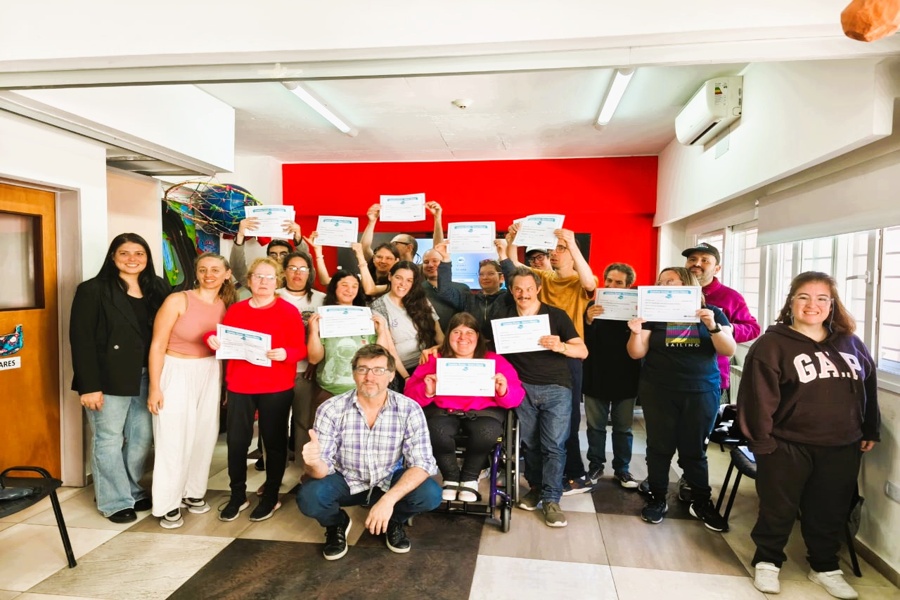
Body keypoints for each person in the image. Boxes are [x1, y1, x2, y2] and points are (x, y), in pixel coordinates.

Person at [737, 272, 880, 599]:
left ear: (832, 304)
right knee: (777, 508)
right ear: (791, 302)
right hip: (787, 445)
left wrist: (869, 428)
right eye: (804, 297)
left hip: (842, 445)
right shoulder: (772, 345)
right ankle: (768, 561)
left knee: (829, 509)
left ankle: (825, 567)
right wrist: (762, 443)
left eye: (821, 298)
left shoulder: (850, 342)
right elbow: (756, 398)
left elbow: (866, 387)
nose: (812, 305)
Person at [297, 344, 442, 560]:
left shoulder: (409, 408)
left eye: (379, 370)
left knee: (430, 494)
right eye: (362, 369)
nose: (369, 377)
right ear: (353, 373)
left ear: (391, 375)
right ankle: (336, 523)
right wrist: (313, 463)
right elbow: (321, 469)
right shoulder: (331, 408)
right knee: (309, 496)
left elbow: (422, 464)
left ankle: (394, 520)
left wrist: (388, 501)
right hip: (346, 479)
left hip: (388, 478)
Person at [70, 233, 170, 523]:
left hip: (147, 375)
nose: (132, 259)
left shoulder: (158, 288)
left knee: (141, 437)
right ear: (113, 256)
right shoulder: (92, 290)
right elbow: (81, 340)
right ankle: (113, 500)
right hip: (108, 377)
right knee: (109, 438)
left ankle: (132, 489)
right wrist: (89, 386)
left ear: (147, 258)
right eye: (125, 253)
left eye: (139, 253)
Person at [626, 267, 734, 530]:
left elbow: (728, 350)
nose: (664, 286)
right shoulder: (653, 315)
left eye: (670, 282)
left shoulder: (714, 313)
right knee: (659, 448)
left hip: (701, 391)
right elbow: (636, 353)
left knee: (694, 450)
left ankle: (701, 501)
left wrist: (712, 326)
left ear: (687, 285)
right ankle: (657, 498)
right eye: (660, 282)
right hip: (659, 390)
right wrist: (635, 331)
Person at [206, 257, 307, 523]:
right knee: (236, 442)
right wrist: (211, 339)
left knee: (274, 443)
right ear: (249, 281)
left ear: (278, 282)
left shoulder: (288, 311)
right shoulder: (237, 310)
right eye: (258, 277)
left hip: (276, 385)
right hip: (240, 385)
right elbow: (222, 340)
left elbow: (301, 349)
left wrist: (285, 353)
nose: (263, 282)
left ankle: (271, 494)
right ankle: (238, 495)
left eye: (269, 277)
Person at [504, 226, 597, 495]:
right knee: (538, 431)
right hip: (539, 353)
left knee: (566, 424)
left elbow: (591, 283)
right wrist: (513, 240)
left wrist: (572, 242)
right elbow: (514, 268)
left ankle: (575, 474)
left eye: (561, 250)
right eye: (552, 250)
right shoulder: (544, 277)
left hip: (568, 351)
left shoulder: (579, 280)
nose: (554, 254)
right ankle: (545, 479)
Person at [147, 252, 234, 529]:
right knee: (173, 439)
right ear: (195, 273)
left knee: (204, 435)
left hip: (209, 371)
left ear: (227, 274)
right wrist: (155, 387)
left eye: (215, 270)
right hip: (176, 370)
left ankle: (192, 492)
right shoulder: (178, 300)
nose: (209, 275)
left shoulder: (225, 304)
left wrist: (224, 385)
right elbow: (157, 345)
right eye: (203, 269)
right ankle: (168, 503)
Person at [495, 267, 587, 528]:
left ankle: (551, 498)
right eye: (518, 289)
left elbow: (583, 351)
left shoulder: (556, 316)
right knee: (530, 444)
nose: (523, 294)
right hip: (522, 389)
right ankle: (535, 488)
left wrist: (561, 346)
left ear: (537, 289)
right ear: (511, 291)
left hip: (556, 388)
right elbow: (489, 349)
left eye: (528, 289)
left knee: (554, 446)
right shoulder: (504, 318)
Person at [404, 312, 525, 502]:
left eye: (469, 332)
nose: (463, 338)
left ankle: (470, 478)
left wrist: (503, 390)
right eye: (457, 332)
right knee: (436, 430)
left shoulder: (494, 361)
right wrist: (427, 391)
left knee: (487, 431)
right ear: (448, 336)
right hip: (443, 412)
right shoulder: (434, 360)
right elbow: (410, 397)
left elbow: (515, 399)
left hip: (483, 414)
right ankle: (451, 477)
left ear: (478, 337)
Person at [582, 263, 641, 489]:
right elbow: (582, 340)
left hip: (626, 376)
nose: (612, 286)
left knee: (623, 428)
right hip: (596, 374)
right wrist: (587, 320)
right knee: (595, 426)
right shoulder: (592, 305)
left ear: (628, 285)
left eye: (618, 283)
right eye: (609, 281)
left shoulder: (637, 307)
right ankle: (596, 465)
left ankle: (622, 469)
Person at [307, 270, 397, 406]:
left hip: (364, 390)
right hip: (329, 390)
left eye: (354, 286)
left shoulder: (367, 317)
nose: (350, 290)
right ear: (334, 287)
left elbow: (380, 355)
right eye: (344, 285)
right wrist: (314, 331)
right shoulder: (323, 317)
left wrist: (382, 331)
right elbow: (314, 358)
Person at [276, 250, 326, 469]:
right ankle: (273, 475)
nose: (297, 273)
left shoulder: (321, 299)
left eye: (302, 268)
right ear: (284, 271)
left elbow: (326, 337)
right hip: (275, 371)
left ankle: (303, 472)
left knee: (304, 423)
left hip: (306, 371)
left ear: (310, 272)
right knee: (274, 424)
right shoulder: (273, 295)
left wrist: (316, 363)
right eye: (292, 268)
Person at [368, 261, 444, 381]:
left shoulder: (422, 300)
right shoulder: (379, 307)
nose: (403, 284)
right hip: (401, 369)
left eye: (409, 280)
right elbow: (390, 349)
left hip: (428, 363)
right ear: (390, 276)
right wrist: (407, 378)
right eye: (398, 278)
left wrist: (435, 349)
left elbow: (440, 337)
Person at [434, 240, 510, 335]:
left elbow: (514, 282)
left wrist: (503, 256)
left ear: (502, 278)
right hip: (473, 346)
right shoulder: (468, 299)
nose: (485, 277)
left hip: (500, 347)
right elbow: (444, 291)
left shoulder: (508, 299)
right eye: (481, 274)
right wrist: (445, 259)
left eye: (490, 274)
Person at [420, 247, 471, 334]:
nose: (430, 265)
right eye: (426, 262)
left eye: (435, 261)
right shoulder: (417, 290)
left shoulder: (462, 289)